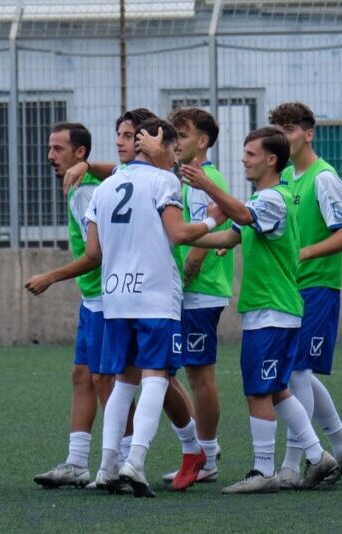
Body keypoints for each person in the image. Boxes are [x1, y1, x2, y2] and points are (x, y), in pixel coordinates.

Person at [181, 126, 338, 493]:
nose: (243, 159)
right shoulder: (262, 199)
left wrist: (208, 186)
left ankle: (263, 471)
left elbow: (243, 217)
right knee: (278, 390)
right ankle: (318, 456)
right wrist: (180, 233)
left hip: (272, 310)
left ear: (271, 160)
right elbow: (230, 234)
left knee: (258, 391)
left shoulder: (272, 200)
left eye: (250, 154)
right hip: (270, 310)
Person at [63, 109, 207, 491]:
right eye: (173, 149)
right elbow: (177, 234)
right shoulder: (165, 181)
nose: (177, 158)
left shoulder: (105, 187)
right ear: (161, 144)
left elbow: (93, 252)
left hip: (114, 297)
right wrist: (213, 223)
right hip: (155, 296)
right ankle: (135, 462)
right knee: (156, 378)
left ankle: (107, 467)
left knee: (122, 382)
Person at [26, 122, 130, 489]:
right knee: (83, 376)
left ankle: (122, 462)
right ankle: (76, 462)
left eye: (58, 149)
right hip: (92, 300)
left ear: (80, 153)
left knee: (108, 380)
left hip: (106, 299)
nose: (50, 156)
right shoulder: (78, 189)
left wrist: (50, 277)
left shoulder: (86, 192)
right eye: (50, 148)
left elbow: (97, 255)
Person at [268, 102, 342, 487]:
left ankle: (293, 465)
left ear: (308, 134)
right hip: (292, 287)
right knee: (298, 372)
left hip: (316, 287)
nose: (283, 136)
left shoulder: (323, 178)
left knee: (296, 373)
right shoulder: (288, 176)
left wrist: (304, 253)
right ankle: (341, 446)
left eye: (290, 129)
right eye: (278, 129)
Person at [140, 108, 232, 485]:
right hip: (185, 293)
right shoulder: (181, 178)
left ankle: (207, 456)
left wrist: (186, 279)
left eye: (182, 133)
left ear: (203, 141)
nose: (175, 140)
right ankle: (199, 449)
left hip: (200, 293)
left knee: (200, 376)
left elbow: (196, 239)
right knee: (173, 372)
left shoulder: (203, 179)